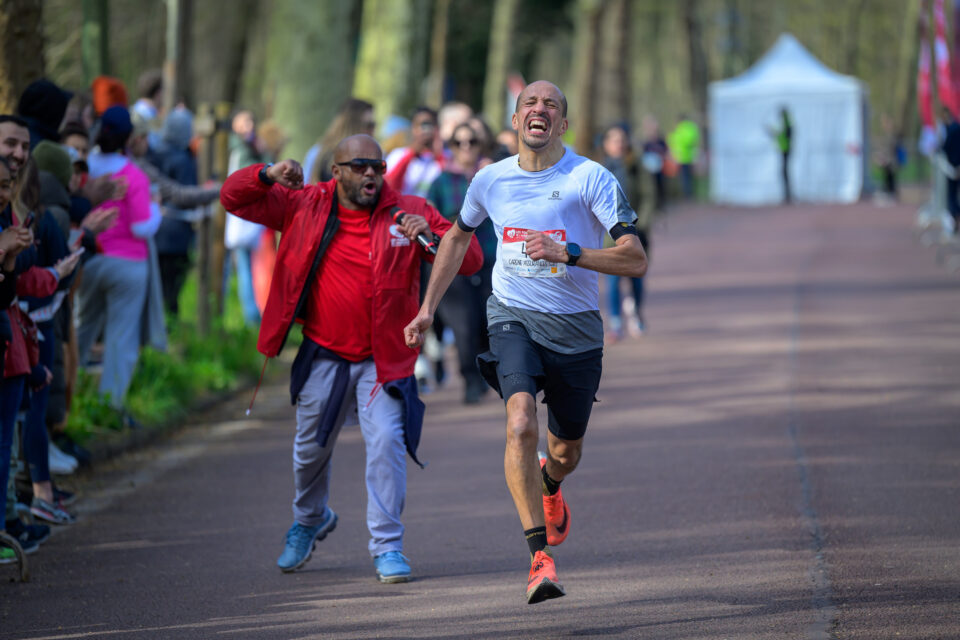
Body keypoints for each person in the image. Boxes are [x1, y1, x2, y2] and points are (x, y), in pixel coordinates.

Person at [404, 81, 646, 604]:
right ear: (515, 121)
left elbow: (635, 257)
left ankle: (551, 483)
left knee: (565, 451)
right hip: (512, 316)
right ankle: (539, 559)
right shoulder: (490, 179)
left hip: (576, 330)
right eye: (529, 104)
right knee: (519, 423)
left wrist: (570, 253)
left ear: (563, 124)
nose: (540, 110)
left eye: (551, 105)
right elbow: (457, 237)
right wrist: (426, 310)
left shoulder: (589, 178)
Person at [219, 134, 482, 582]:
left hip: (385, 360)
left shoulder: (409, 209)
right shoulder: (304, 204)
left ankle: (387, 546)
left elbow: (471, 258)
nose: (370, 175)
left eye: (377, 167)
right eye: (359, 167)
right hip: (324, 351)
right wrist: (265, 174)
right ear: (336, 171)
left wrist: (434, 235)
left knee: (386, 442)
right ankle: (310, 519)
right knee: (310, 450)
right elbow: (232, 198)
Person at [77, 106, 161, 411]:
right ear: (128, 138)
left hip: (89, 259)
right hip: (129, 265)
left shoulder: (84, 168)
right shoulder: (134, 175)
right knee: (121, 338)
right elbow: (141, 227)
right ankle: (110, 406)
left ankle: (70, 398)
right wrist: (156, 210)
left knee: (81, 328)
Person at [426, 122, 493, 404]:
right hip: (455, 263)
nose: (466, 148)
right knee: (463, 326)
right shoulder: (441, 181)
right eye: (459, 143)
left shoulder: (491, 176)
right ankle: (470, 380)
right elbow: (430, 218)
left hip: (489, 258)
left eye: (472, 142)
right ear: (452, 147)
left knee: (487, 321)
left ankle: (486, 371)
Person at [600, 124, 649, 339]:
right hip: (610, 235)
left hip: (637, 232)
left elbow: (649, 196)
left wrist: (641, 224)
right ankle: (615, 321)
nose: (618, 144)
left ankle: (637, 314)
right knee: (612, 281)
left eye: (621, 140)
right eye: (614, 140)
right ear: (606, 144)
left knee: (636, 277)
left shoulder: (637, 166)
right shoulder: (599, 170)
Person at [302, 98, 375, 185]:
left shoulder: (318, 152)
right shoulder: (318, 153)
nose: (373, 130)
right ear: (353, 126)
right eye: (370, 125)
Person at [385, 107, 442, 198]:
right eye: (422, 124)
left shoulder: (444, 157)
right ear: (413, 128)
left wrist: (438, 151)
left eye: (429, 124)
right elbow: (390, 186)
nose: (425, 130)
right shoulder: (398, 155)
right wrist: (411, 153)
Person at [668, 113, 700, 199]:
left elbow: (673, 140)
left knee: (685, 177)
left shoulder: (681, 128)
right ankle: (688, 194)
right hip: (688, 156)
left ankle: (687, 194)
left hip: (682, 157)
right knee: (688, 177)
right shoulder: (691, 128)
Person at [767, 106, 792, 203]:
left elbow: (782, 135)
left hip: (785, 149)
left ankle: (788, 195)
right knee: (784, 172)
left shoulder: (786, 123)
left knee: (785, 172)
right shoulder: (786, 123)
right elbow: (779, 134)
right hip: (784, 149)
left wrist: (773, 132)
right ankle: (787, 194)